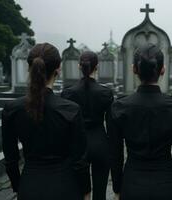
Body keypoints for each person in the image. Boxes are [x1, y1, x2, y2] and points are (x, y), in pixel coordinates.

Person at [2, 43, 87, 200]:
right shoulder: (71, 109)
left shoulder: (12, 109)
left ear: (29, 69)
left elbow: (11, 159)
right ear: (58, 70)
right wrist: (86, 191)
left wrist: (18, 187)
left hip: (29, 185)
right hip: (65, 187)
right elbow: (79, 160)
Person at [107, 43, 172, 200]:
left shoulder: (119, 107)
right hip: (167, 185)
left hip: (132, 184)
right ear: (162, 70)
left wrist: (117, 188)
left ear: (134, 69)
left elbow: (115, 155)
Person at [61, 51, 113, 200]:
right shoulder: (106, 93)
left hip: (77, 145)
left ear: (79, 66)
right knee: (100, 193)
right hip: (100, 142)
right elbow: (110, 124)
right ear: (97, 67)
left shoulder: (68, 93)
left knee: (80, 192)